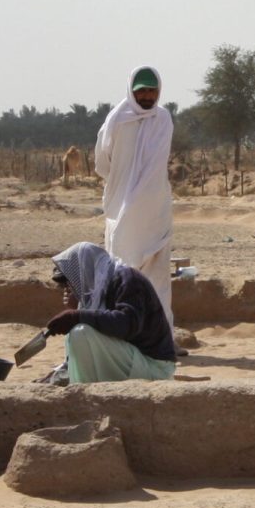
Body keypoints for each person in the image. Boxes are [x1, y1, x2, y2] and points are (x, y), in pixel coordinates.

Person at [94, 66, 174, 326]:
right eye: (143, 91)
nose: (148, 96)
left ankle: (163, 337)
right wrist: (124, 186)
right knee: (122, 273)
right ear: (132, 91)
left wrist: (141, 192)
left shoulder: (163, 120)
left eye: (153, 91)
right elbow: (102, 163)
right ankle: (124, 332)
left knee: (158, 275)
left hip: (155, 210)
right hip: (122, 211)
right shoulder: (117, 120)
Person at [43, 242, 177, 383]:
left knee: (81, 332)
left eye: (68, 283)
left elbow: (126, 324)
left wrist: (77, 316)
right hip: (134, 361)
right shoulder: (97, 291)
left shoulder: (127, 279)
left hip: (154, 367)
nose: (67, 289)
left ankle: (84, 394)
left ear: (84, 271)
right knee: (78, 331)